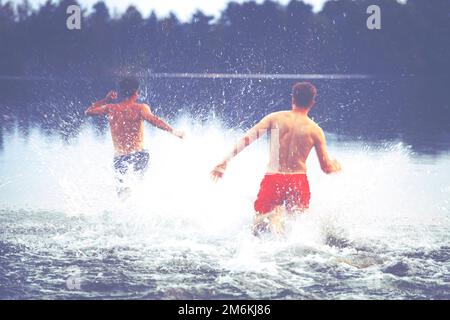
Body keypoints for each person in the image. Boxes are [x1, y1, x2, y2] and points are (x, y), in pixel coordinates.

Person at [211, 82, 341, 235]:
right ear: (313, 102)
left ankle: (273, 217)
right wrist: (336, 166)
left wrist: (224, 161)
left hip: (274, 178)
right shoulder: (315, 130)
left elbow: (247, 139)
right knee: (297, 226)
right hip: (298, 181)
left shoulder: (275, 118)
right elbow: (326, 168)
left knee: (258, 225)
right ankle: (280, 228)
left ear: (292, 98)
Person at [85, 77, 184, 197]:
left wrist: (105, 99)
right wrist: (173, 131)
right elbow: (153, 120)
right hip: (139, 156)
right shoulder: (140, 108)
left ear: (121, 93)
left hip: (120, 159)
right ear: (136, 92)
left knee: (123, 196)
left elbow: (88, 112)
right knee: (137, 190)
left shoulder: (111, 108)